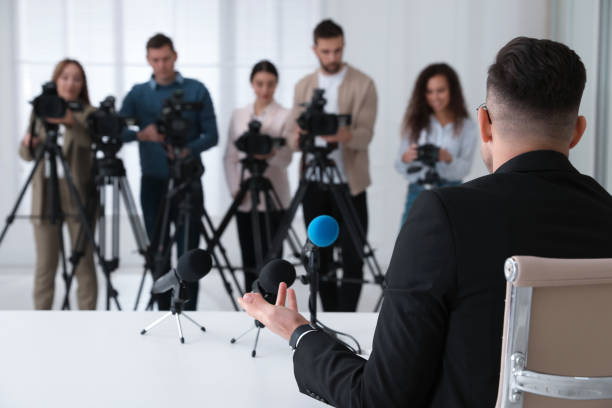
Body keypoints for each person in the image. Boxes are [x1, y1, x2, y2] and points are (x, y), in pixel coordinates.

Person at [238, 37, 612, 407]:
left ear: (484, 124)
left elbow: (380, 397)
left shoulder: (444, 215)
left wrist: (298, 332)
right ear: (578, 131)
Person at [120, 33, 218, 311]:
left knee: (190, 256)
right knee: (158, 252)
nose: (161, 65)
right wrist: (142, 135)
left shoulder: (197, 90)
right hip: (153, 183)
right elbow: (118, 129)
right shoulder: (138, 94)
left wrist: (187, 149)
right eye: (155, 60)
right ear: (148, 60)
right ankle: (164, 310)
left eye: (166, 58)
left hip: (189, 182)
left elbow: (212, 135)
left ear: (175, 56)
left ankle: (188, 310)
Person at [285, 19, 377, 312]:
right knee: (318, 254)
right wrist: (300, 136)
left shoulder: (363, 84)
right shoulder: (303, 87)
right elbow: (291, 136)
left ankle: (348, 315)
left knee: (353, 254)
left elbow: (366, 135)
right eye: (326, 51)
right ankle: (329, 313)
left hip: (350, 182)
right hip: (313, 181)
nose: (332, 57)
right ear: (315, 50)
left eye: (337, 50)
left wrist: (341, 135)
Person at [19, 59, 98, 310]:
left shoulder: (89, 113)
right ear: (56, 80)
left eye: (76, 78)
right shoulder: (41, 110)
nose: (70, 83)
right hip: (45, 191)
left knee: (83, 263)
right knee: (45, 265)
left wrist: (69, 121)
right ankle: (41, 319)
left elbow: (89, 141)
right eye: (65, 77)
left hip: (78, 193)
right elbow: (25, 154)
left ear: (83, 83)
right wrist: (28, 142)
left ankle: (88, 320)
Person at [223, 60, 292, 291]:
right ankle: (250, 302)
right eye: (260, 83)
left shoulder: (285, 115)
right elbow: (230, 156)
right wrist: (235, 189)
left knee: (273, 259)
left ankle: (273, 304)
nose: (264, 90)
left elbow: (287, 157)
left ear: (276, 85)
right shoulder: (239, 114)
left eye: (270, 84)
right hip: (245, 196)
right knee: (249, 257)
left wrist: (270, 154)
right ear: (252, 84)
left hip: (275, 197)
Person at [396, 63, 478, 225]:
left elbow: (465, 168)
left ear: (452, 91)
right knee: (408, 244)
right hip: (418, 190)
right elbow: (399, 165)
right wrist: (406, 158)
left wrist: (448, 158)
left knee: (449, 244)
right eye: (429, 91)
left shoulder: (466, 126)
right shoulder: (415, 123)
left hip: (451, 192)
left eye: (441, 90)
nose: (435, 97)